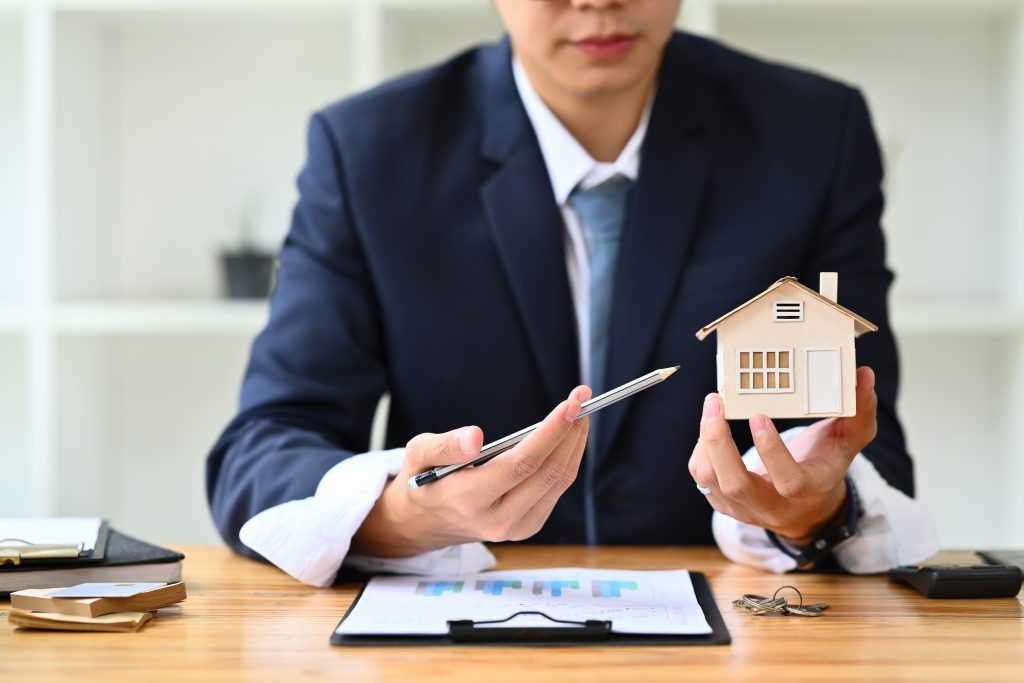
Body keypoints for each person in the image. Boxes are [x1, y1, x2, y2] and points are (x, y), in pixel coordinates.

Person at [206, 0, 937, 586]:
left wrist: (811, 509)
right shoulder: (368, 150)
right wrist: (405, 514)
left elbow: (866, 452)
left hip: (741, 632)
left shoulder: (812, 135)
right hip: (453, 638)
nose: (598, 2)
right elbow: (261, 450)